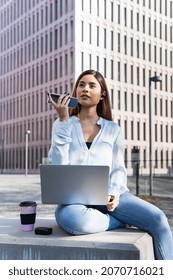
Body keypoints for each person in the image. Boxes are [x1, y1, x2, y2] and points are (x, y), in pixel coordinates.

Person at [48, 69, 173, 260]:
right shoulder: (63, 124)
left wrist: (114, 192)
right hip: (74, 200)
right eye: (81, 85)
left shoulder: (113, 129)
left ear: (102, 94)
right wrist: (63, 120)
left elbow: (118, 168)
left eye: (91, 85)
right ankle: (117, 222)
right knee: (73, 220)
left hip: (109, 195)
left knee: (158, 219)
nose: (85, 89)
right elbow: (58, 165)